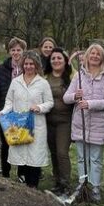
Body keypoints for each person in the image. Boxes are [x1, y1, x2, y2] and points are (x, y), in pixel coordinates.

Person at [64, 44, 104, 202]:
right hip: (80, 123)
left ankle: (95, 187)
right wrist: (75, 95)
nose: (94, 56)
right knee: (81, 157)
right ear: (87, 56)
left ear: (102, 58)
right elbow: (66, 98)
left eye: (98, 54)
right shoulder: (79, 76)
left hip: (98, 124)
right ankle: (82, 184)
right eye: (92, 53)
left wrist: (90, 104)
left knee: (95, 158)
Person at [0, 50, 53, 188]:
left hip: (36, 123)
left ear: (36, 65)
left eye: (31, 64)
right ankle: (24, 185)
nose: (28, 66)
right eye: (26, 64)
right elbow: (9, 101)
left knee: (34, 156)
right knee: (22, 155)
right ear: (23, 65)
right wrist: (3, 112)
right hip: (19, 123)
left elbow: (50, 102)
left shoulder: (43, 83)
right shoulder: (16, 82)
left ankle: (33, 185)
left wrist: (39, 107)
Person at [0, 37, 26, 178]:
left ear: (23, 51)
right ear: (9, 51)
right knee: (6, 143)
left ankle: (21, 174)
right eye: (13, 50)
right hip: (6, 111)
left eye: (19, 50)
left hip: (23, 110)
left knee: (22, 142)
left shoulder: (28, 67)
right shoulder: (2, 69)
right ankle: (6, 173)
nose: (16, 53)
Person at [44, 48, 74, 196]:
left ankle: (65, 183)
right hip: (48, 120)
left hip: (65, 121)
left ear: (65, 61)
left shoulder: (72, 77)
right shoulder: (45, 77)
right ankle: (57, 181)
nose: (56, 61)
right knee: (54, 152)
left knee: (62, 152)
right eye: (53, 58)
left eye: (59, 58)